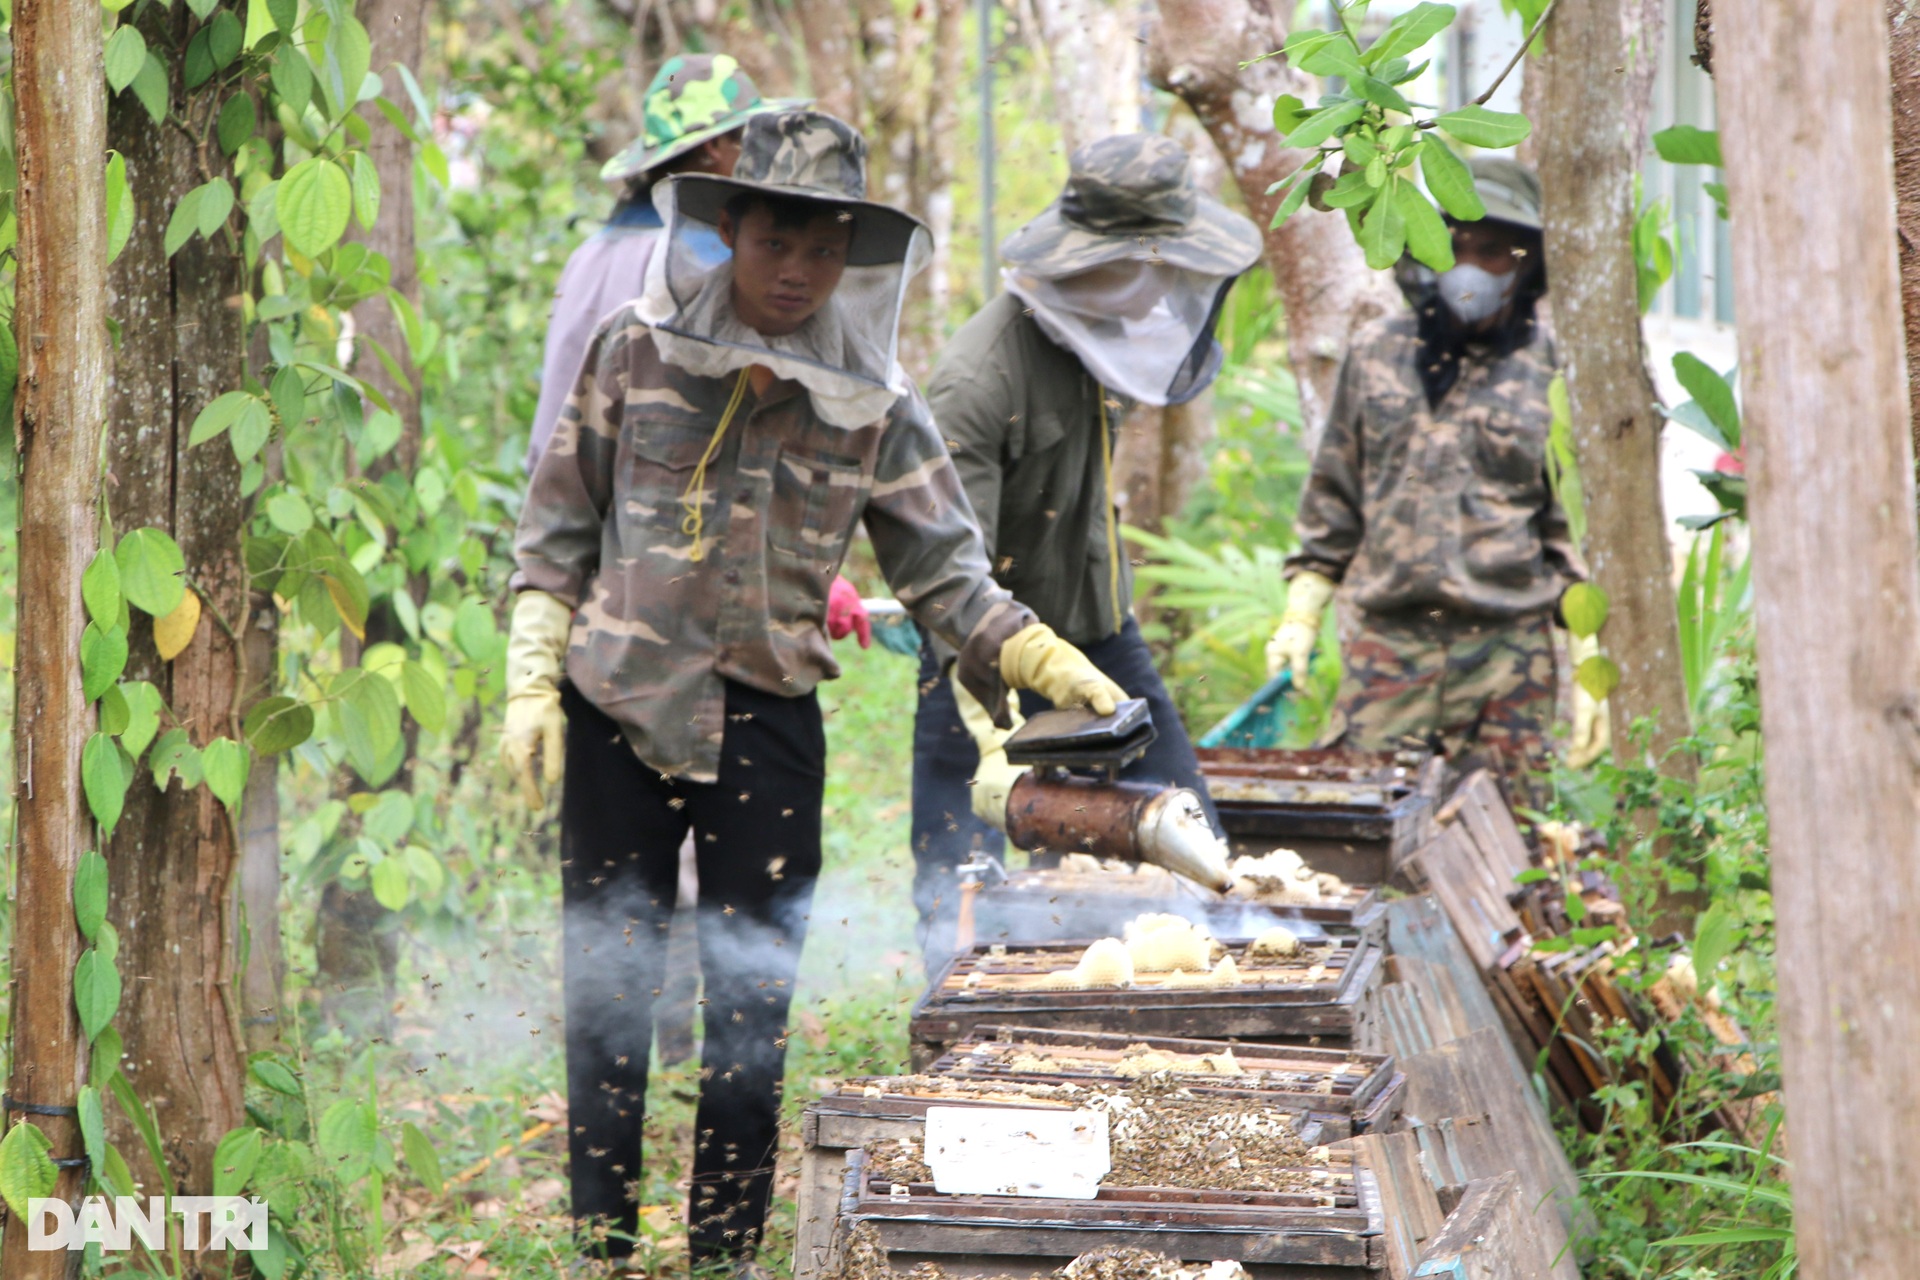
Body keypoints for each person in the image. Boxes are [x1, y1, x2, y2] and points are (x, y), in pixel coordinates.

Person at [502, 109, 1127, 1271]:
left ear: (854, 258)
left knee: (750, 1010)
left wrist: (1043, 656)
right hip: (617, 714)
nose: (797, 272)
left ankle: (726, 1253)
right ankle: (600, 1248)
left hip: (767, 725)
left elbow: (946, 572)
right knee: (610, 990)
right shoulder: (632, 352)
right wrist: (532, 678)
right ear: (729, 229)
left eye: (824, 250)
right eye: (776, 241)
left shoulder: (875, 400)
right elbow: (555, 528)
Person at [910, 133, 1261, 965]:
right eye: (1156, 267)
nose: (1165, 292)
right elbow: (948, 583)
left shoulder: (1101, 344)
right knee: (966, 910)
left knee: (1196, 853)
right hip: (989, 668)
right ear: (1097, 259)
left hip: (1104, 644)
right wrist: (995, 744)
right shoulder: (976, 381)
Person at [1265, 158, 1609, 805]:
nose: (1470, 266)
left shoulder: (1555, 369)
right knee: (1358, 836)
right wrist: (1301, 613)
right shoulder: (1376, 353)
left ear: (1528, 261)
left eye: (1493, 252)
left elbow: (1573, 531)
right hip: (1389, 648)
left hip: (1509, 657)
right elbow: (1334, 499)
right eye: (1455, 245)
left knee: (1509, 853)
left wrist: (1593, 661)